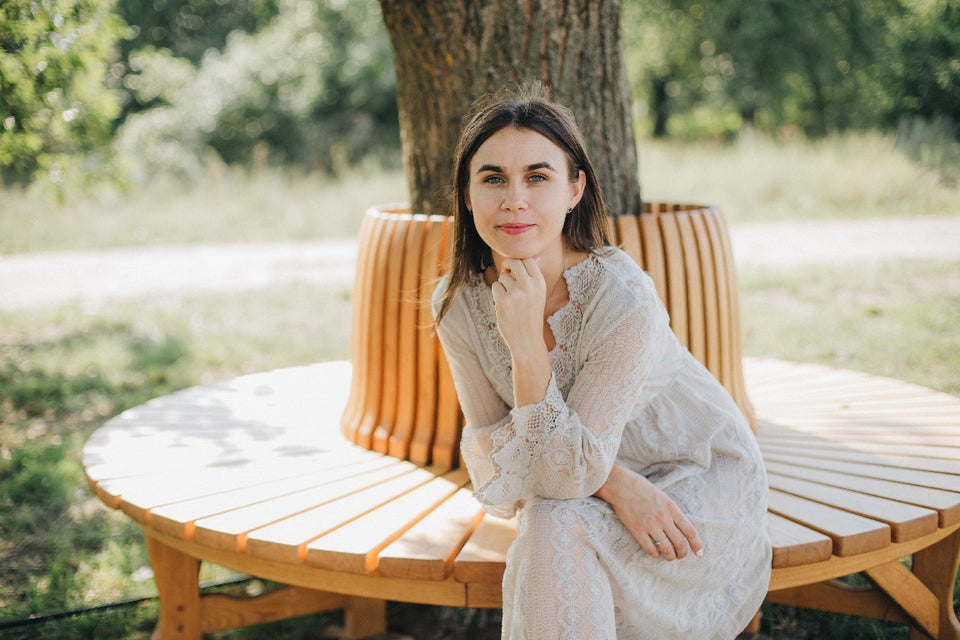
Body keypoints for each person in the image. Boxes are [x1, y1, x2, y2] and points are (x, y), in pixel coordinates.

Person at [432, 87, 771, 639]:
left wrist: (525, 347)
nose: (514, 199)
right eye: (492, 178)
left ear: (574, 189)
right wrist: (615, 483)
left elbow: (555, 474)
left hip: (690, 480)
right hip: (598, 489)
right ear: (467, 197)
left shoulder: (622, 298)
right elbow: (495, 455)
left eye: (537, 177)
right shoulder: (458, 302)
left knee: (550, 519)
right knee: (549, 519)